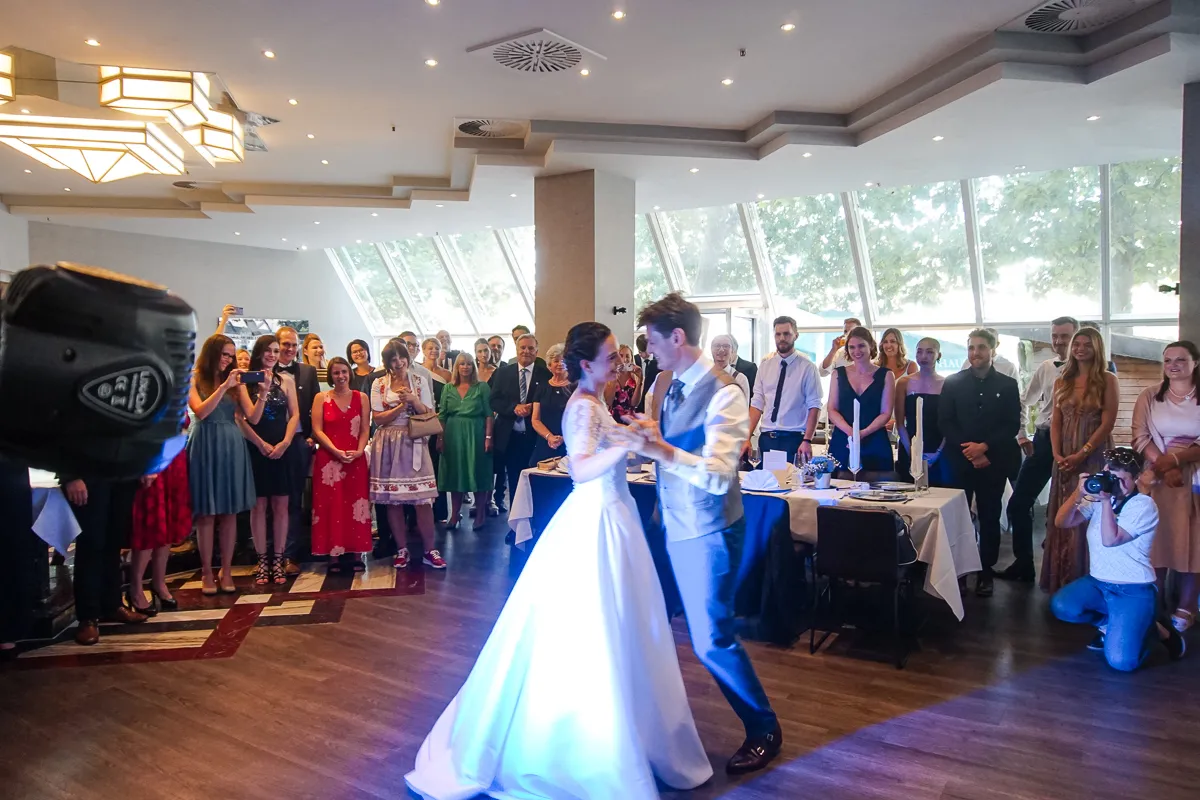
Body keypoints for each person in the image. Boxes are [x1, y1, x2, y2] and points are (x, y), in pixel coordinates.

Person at [406, 321, 712, 799]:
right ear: (586, 365)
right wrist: (627, 448)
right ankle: (590, 749)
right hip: (594, 520)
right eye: (612, 358)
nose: (621, 363)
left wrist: (641, 446)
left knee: (628, 626)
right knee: (595, 630)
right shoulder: (580, 408)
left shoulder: (598, 403)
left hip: (616, 515)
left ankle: (632, 731)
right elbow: (582, 467)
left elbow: (612, 456)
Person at [631, 293, 782, 775]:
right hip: (677, 523)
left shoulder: (726, 393)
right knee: (674, 626)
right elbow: (671, 447)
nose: (648, 350)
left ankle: (764, 727)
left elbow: (719, 475)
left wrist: (660, 450)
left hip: (711, 530)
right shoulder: (669, 384)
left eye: (653, 341)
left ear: (677, 337)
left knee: (712, 639)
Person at [1050, 448, 1186, 670]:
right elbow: (1061, 522)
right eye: (1110, 475)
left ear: (1135, 479)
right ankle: (1111, 624)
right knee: (1063, 605)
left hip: (1134, 589)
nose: (1113, 483)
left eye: (1121, 479)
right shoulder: (1098, 498)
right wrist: (1078, 493)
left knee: (1122, 662)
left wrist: (1104, 502)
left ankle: (1157, 630)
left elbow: (1110, 540)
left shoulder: (1143, 505)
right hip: (1099, 583)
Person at [940, 328, 1021, 598]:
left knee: (988, 518)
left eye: (981, 347)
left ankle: (986, 572)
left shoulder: (1008, 385)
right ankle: (960, 571)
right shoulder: (952, 382)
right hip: (961, 461)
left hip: (993, 461)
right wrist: (970, 451)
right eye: (972, 347)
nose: (976, 352)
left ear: (993, 350)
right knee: (959, 517)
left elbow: (1011, 424)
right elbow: (946, 422)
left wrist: (984, 447)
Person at [998, 316, 1080, 582]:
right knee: (1018, 503)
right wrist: (1022, 434)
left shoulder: (1097, 370)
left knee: (1074, 507)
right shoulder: (1046, 367)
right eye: (1055, 335)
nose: (1058, 341)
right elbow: (1025, 401)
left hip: (1079, 444)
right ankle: (1024, 563)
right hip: (1045, 441)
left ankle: (1070, 566)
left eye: (1064, 336)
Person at [1042, 327, 1119, 593]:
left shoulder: (1108, 379)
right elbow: (1056, 423)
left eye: (1087, 344)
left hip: (1093, 456)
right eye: (1077, 344)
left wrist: (1082, 453)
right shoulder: (1061, 380)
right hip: (1064, 457)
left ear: (1097, 348)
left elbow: (1108, 423)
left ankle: (1091, 581)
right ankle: (1062, 578)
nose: (1080, 348)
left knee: (1089, 514)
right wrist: (1057, 454)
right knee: (1064, 513)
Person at [1132, 340, 1200, 632]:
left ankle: (1186, 606)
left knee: (1193, 545)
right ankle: (1154, 605)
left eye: (1181, 360)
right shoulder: (1150, 396)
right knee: (1156, 543)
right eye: (1168, 360)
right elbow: (1139, 435)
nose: (1173, 365)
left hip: (1195, 478)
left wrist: (1176, 459)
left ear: (1195, 363)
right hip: (1158, 479)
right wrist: (1163, 464)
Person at [188, 334, 263, 595]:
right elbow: (201, 412)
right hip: (205, 442)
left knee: (230, 512)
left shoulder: (237, 381)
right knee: (207, 514)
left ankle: (227, 569)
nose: (228, 360)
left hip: (231, 443)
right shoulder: (196, 377)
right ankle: (207, 571)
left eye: (231, 356)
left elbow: (252, 416)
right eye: (224, 355)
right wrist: (222, 388)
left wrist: (261, 395)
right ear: (212, 354)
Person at [370, 340, 445, 570]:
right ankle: (401, 549)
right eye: (393, 359)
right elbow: (378, 418)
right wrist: (400, 408)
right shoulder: (379, 384)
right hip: (388, 444)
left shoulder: (421, 381)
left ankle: (429, 549)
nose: (398, 362)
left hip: (414, 442)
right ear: (387, 363)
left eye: (401, 357)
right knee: (394, 502)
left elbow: (430, 413)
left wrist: (413, 400)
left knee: (423, 500)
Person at [240, 335, 300, 586]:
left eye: (277, 351)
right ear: (259, 352)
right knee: (258, 507)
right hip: (256, 448)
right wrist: (261, 444)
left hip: (281, 447)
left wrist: (285, 443)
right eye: (268, 350)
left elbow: (294, 415)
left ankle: (278, 559)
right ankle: (262, 559)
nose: (273, 355)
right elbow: (243, 419)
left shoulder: (286, 379)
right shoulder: (245, 380)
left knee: (281, 506)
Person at [62, 476, 145, 644]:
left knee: (114, 541)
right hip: (88, 472)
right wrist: (71, 476)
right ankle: (88, 617)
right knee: (91, 543)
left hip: (122, 473)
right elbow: (64, 448)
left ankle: (113, 604)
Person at [311, 357, 372, 572]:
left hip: (355, 457)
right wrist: (335, 451)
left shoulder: (361, 397)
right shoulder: (321, 397)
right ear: (330, 376)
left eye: (344, 372)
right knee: (331, 506)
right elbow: (317, 429)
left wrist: (359, 450)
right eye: (336, 373)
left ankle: (357, 552)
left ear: (350, 373)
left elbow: (365, 428)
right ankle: (333, 555)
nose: (341, 376)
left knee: (357, 505)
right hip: (329, 460)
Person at [127, 417, 192, 615]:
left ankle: (159, 582)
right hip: (153, 458)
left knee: (169, 524)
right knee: (150, 524)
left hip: (174, 460)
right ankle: (135, 587)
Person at [747, 316, 823, 464]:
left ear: (796, 335)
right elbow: (757, 403)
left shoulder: (808, 368)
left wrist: (807, 439)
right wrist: (746, 437)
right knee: (768, 483)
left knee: (793, 484)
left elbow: (814, 405)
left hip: (794, 438)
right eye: (778, 334)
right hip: (768, 437)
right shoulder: (765, 366)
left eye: (786, 334)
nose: (782, 338)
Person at [490, 333, 551, 516]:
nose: (526, 351)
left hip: (534, 438)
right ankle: (515, 523)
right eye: (522, 348)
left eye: (531, 348)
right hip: (510, 437)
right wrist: (513, 408)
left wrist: (533, 408)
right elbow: (494, 400)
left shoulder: (545, 374)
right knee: (515, 482)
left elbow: (548, 403)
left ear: (537, 351)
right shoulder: (503, 373)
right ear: (516, 350)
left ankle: (534, 520)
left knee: (534, 481)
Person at [275, 326, 319, 576]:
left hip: (298, 443)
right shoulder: (263, 371)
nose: (290, 349)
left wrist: (312, 437)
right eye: (285, 344)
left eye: (294, 345)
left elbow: (314, 407)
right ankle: (269, 554)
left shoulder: (308, 371)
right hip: (268, 443)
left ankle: (291, 554)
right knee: (268, 500)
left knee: (294, 499)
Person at [828, 326, 896, 474]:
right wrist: (851, 433)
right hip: (843, 439)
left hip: (875, 439)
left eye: (861, 346)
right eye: (852, 347)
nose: (856, 351)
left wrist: (863, 433)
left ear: (871, 346)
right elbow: (832, 409)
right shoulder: (837, 374)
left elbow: (886, 412)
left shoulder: (886, 375)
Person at [438, 353, 494, 530]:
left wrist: (488, 437)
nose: (466, 367)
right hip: (453, 434)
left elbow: (488, 414)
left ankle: (480, 514)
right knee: (456, 474)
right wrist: (440, 437)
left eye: (469, 364)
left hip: (475, 433)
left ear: (473, 367)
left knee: (478, 472)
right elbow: (442, 416)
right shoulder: (447, 388)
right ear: (457, 367)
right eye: (462, 364)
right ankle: (454, 515)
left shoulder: (482, 387)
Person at [894, 337, 949, 486]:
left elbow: (949, 424)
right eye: (920, 352)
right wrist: (913, 453)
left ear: (938, 355)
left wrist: (938, 453)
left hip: (938, 448)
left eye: (930, 352)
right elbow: (900, 423)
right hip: (909, 444)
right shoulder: (904, 383)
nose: (924, 357)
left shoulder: (947, 384)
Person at [530, 343, 572, 464]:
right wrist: (550, 437)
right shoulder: (542, 387)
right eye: (556, 361)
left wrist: (564, 438)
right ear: (549, 365)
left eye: (564, 360)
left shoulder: (576, 387)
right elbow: (535, 419)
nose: (560, 364)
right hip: (545, 442)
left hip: (570, 443)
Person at [606, 343, 643, 422]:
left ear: (631, 358)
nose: (624, 359)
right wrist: (614, 377)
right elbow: (609, 401)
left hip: (630, 419)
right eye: (621, 355)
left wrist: (640, 380)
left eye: (627, 356)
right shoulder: (610, 376)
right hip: (612, 419)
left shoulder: (635, 377)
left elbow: (634, 404)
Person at [711, 333, 751, 401]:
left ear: (732, 350)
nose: (721, 350)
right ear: (711, 349)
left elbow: (743, 409)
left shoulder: (740, 379)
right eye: (717, 346)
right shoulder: (703, 375)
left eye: (726, 346)